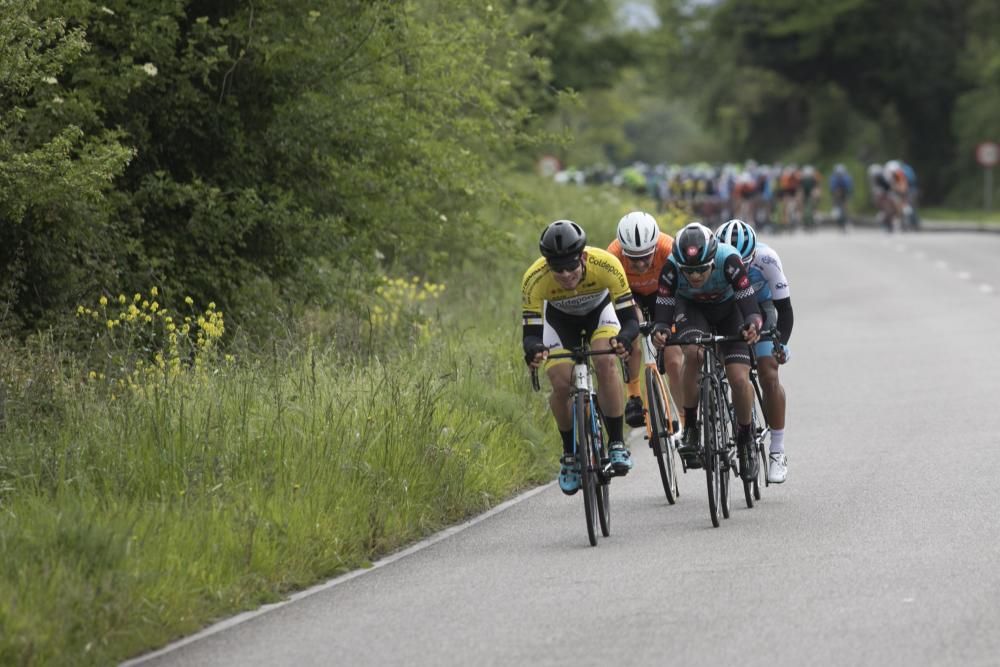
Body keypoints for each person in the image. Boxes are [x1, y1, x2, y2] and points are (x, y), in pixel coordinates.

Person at [522, 220, 639, 495]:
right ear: (547, 264)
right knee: (561, 382)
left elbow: (630, 320)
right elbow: (530, 334)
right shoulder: (534, 278)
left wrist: (623, 340)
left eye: (571, 267)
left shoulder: (607, 264)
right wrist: (534, 349)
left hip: (599, 313)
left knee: (606, 362)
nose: (565, 275)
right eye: (557, 269)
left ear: (584, 257)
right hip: (559, 322)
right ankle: (570, 456)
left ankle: (617, 443)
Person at [650, 222, 763, 478]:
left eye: (702, 270)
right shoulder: (671, 266)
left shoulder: (730, 260)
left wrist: (752, 325)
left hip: (729, 312)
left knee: (737, 377)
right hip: (692, 310)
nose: (696, 276)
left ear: (713, 259)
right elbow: (664, 306)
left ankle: (745, 439)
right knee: (693, 353)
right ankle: (690, 425)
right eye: (689, 271)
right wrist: (661, 330)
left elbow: (749, 304)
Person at [715, 219, 793, 483]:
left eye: (745, 263)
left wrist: (781, 344)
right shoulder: (713, 259)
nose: (740, 269)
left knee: (769, 373)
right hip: (730, 309)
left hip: (763, 307)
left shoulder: (767, 259)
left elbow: (785, 310)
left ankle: (777, 451)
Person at [606, 211, 684, 429]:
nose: (640, 264)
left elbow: (682, 289)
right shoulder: (612, 255)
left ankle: (687, 423)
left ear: (655, 248)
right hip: (632, 296)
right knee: (633, 328)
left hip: (663, 293)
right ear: (623, 251)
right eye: (633, 258)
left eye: (645, 258)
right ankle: (633, 395)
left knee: (674, 360)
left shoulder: (669, 248)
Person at [828, 164, 853, 232]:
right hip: (836, 194)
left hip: (845, 193)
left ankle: (846, 221)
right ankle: (839, 222)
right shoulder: (833, 178)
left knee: (845, 207)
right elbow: (832, 189)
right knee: (837, 207)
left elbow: (849, 189)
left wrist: (847, 196)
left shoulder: (846, 178)